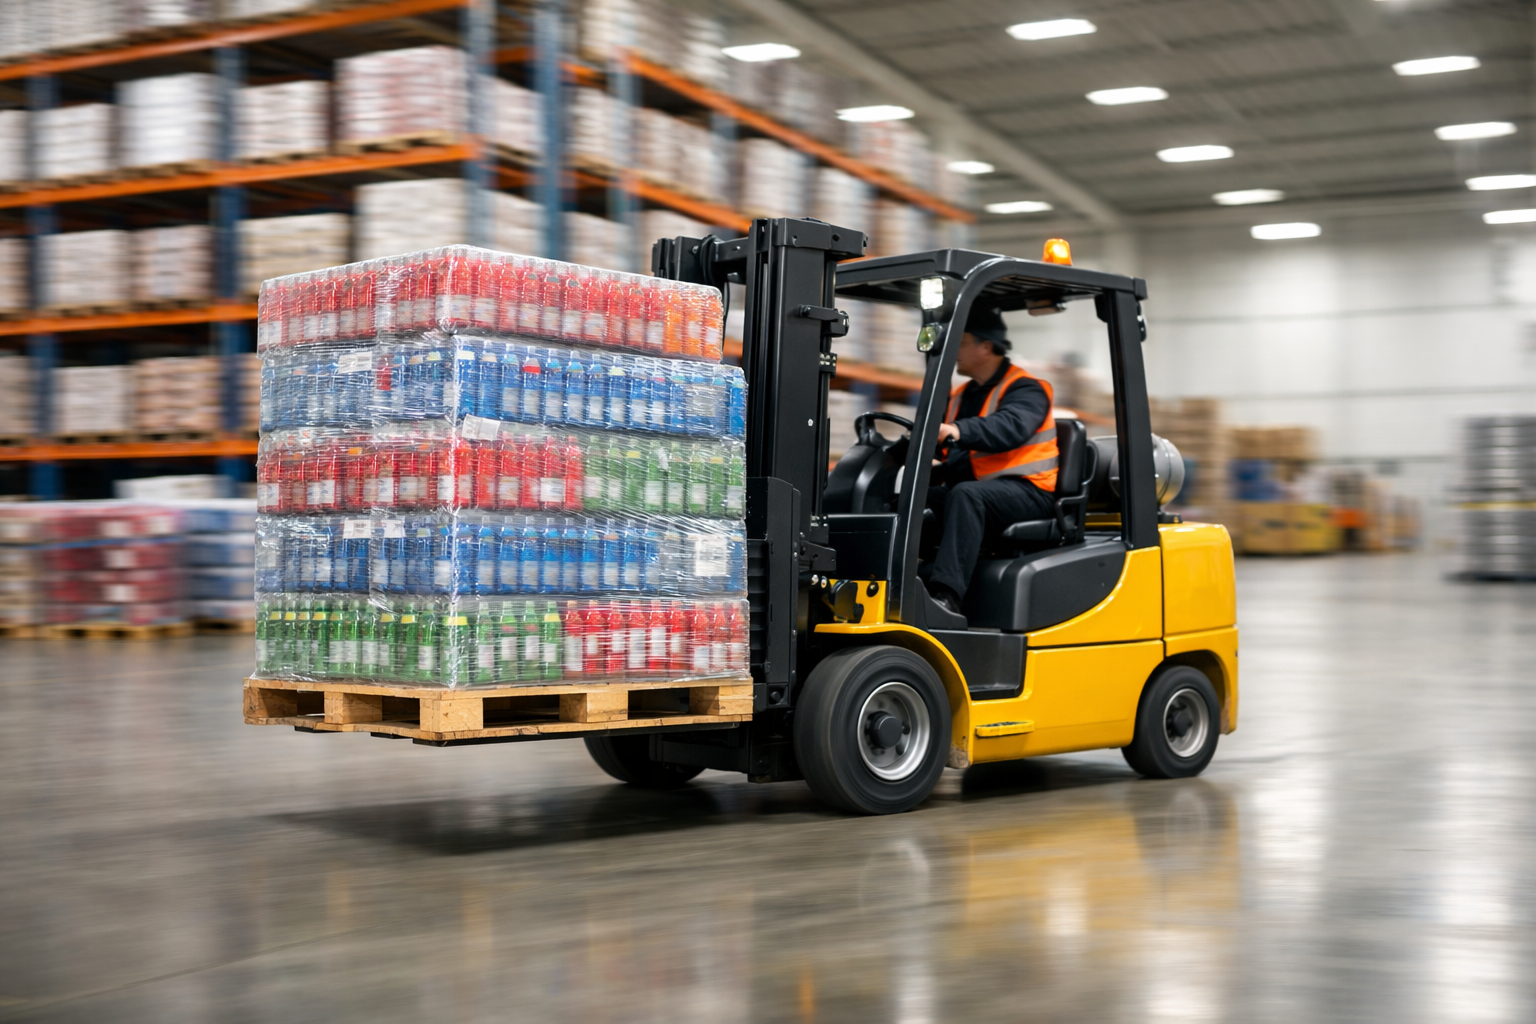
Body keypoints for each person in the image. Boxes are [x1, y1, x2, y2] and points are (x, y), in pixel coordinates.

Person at [924, 304, 1059, 620]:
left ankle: (946, 598)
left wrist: (958, 430)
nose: (953, 350)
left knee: (966, 495)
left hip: (1031, 492)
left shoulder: (1027, 389)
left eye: (961, 341)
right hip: (988, 490)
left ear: (985, 346)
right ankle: (900, 579)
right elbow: (952, 450)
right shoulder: (960, 395)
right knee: (917, 498)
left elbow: (1009, 427)